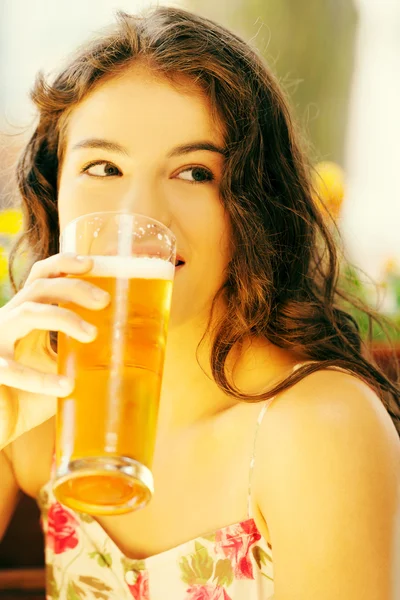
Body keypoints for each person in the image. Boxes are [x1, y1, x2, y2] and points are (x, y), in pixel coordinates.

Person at [1, 6, 399, 600]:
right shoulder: (35, 417)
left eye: (194, 173)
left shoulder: (319, 428)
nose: (140, 215)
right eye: (103, 166)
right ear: (54, 193)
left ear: (251, 206)